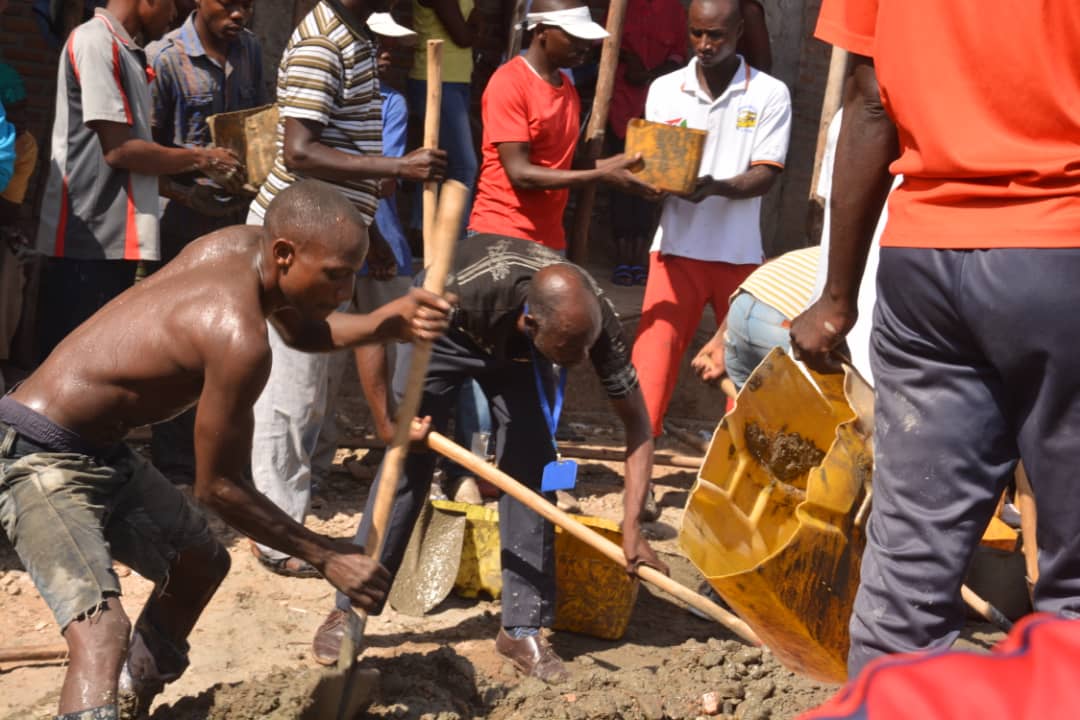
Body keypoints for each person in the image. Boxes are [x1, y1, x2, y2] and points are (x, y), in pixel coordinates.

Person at [0, 179, 451, 720]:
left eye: (350, 274)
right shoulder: (236, 336)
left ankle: (128, 695)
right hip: (33, 452)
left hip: (97, 448)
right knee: (101, 629)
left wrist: (385, 323)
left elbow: (305, 331)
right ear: (285, 254)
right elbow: (217, 487)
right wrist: (327, 554)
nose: (344, 292)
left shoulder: (245, 247)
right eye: (335, 276)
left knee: (198, 562)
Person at [791, 0, 1080, 678]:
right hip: (1063, 249)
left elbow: (867, 99)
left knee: (906, 585)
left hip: (926, 263)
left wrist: (837, 298)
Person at [310, 234, 667, 683]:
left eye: (580, 355)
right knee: (408, 463)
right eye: (564, 355)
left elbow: (638, 425)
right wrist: (386, 424)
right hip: (447, 338)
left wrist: (631, 528)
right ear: (531, 323)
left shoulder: (595, 325)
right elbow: (372, 335)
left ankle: (521, 627)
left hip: (519, 355)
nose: (576, 366)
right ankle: (351, 608)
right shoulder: (457, 296)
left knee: (531, 468)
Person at [245, 0, 447, 576]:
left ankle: (287, 512)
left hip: (331, 239)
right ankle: (276, 537)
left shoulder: (353, 36)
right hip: (297, 243)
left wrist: (370, 236)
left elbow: (342, 144)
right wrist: (398, 168)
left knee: (315, 383)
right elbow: (299, 151)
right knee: (292, 389)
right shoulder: (321, 44)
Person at [33, 0, 242, 363]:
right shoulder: (95, 41)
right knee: (68, 370)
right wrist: (202, 158)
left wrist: (191, 183)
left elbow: (137, 155)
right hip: (87, 243)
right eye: (174, 4)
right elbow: (121, 151)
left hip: (115, 244)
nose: (175, 15)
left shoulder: (128, 51)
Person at [630, 0, 791, 439]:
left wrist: (714, 187)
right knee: (650, 369)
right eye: (697, 33)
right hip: (675, 248)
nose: (704, 44)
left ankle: (736, 470)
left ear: (739, 31)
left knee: (747, 375)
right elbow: (653, 164)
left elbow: (766, 174)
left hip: (739, 257)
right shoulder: (665, 88)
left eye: (715, 35)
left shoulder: (768, 93)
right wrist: (644, 184)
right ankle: (638, 476)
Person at [145, 0, 267, 486]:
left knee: (237, 336)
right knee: (180, 337)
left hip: (240, 217)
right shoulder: (167, 57)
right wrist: (189, 188)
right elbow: (148, 148)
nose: (239, 14)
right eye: (228, 3)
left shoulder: (252, 51)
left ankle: (227, 456)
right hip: (186, 218)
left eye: (247, 5)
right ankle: (175, 463)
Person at [466, 0, 660, 252]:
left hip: (549, 238)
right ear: (542, 31)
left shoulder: (568, 90)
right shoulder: (509, 82)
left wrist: (624, 162)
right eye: (574, 37)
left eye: (586, 39)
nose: (584, 47)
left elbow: (568, 164)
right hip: (501, 235)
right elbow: (520, 173)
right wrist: (602, 175)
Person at [606, 0, 686, 286]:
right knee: (621, 182)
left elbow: (679, 54)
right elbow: (609, 39)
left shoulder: (674, 9)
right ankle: (621, 257)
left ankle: (639, 257)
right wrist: (631, 61)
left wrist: (650, 75)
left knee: (649, 182)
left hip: (656, 106)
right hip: (621, 104)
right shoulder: (624, 5)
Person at [691, 245, 821, 390]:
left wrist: (720, 338)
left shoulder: (827, 247)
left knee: (752, 402)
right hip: (783, 321)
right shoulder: (845, 258)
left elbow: (766, 269)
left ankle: (739, 396)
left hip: (745, 302)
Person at [406, 0, 478, 230]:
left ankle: (421, 229)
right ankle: (455, 247)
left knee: (436, 161)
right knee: (464, 166)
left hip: (456, 79)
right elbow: (463, 36)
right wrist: (477, 26)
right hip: (436, 77)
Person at [0, 64, 37, 394]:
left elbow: (8, 210)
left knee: (13, 270)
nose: (20, 122)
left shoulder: (24, 145)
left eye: (24, 110)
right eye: (12, 113)